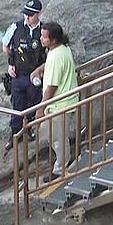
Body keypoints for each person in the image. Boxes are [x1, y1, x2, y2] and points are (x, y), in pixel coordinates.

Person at [34, 22, 79, 182]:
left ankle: (61, 169)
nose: (41, 39)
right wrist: (42, 68)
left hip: (61, 104)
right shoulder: (61, 49)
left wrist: (40, 109)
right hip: (65, 102)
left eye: (44, 37)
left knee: (57, 138)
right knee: (54, 135)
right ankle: (64, 162)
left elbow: (51, 88)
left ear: (53, 40)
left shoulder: (56, 55)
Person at [1, 0, 47, 151]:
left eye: (31, 15)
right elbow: (5, 46)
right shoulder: (16, 27)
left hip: (35, 76)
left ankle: (30, 129)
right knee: (17, 106)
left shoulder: (44, 30)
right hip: (18, 75)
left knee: (33, 103)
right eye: (26, 14)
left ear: (38, 14)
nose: (27, 17)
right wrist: (11, 63)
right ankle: (15, 134)